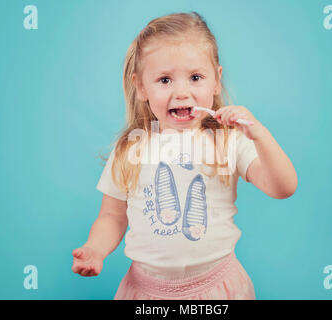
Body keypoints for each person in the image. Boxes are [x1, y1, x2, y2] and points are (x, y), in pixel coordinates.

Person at [71, 11, 298, 300]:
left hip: (217, 288)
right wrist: (95, 249)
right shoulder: (131, 148)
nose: (181, 92)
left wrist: (260, 136)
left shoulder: (228, 141)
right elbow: (112, 216)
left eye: (195, 78)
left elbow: (283, 187)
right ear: (141, 86)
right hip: (147, 292)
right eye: (165, 80)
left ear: (216, 81)